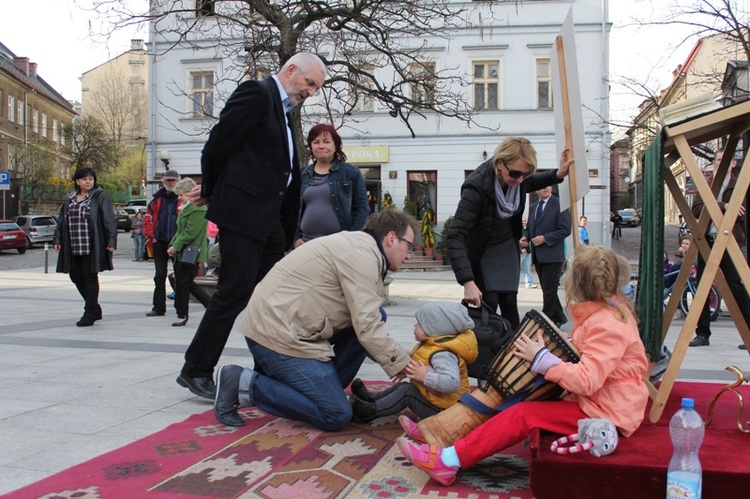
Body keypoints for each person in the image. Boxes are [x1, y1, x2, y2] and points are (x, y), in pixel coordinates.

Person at [396, 245, 649, 486]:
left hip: (606, 412)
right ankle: (439, 432)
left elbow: (586, 380)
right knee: (505, 396)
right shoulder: (604, 313)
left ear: (578, 283)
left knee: (523, 414)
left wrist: (542, 358)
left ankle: (448, 461)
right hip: (598, 401)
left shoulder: (607, 323)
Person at [177, 53, 327, 400]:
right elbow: (217, 145)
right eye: (309, 84)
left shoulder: (284, 110)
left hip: (270, 221)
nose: (311, 93)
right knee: (233, 291)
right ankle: (196, 369)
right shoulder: (257, 94)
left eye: (316, 88)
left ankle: (272, 367)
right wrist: (214, 191)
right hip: (244, 214)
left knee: (270, 296)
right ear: (291, 71)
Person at [212, 210, 417, 430]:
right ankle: (242, 382)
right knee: (336, 414)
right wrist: (405, 366)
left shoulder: (361, 248)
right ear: (392, 238)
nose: (409, 255)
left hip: (290, 325)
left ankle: (320, 391)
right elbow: (367, 325)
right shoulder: (362, 255)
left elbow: (368, 320)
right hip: (276, 335)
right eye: (409, 246)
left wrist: (396, 355)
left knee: (379, 316)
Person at [447, 137, 573, 329]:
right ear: (500, 164)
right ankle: (487, 354)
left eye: (525, 174)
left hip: (505, 246)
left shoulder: (518, 180)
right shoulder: (476, 187)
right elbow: (455, 235)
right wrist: (467, 281)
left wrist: (558, 174)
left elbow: (532, 182)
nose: (520, 180)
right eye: (515, 174)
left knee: (509, 304)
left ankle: (512, 350)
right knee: (489, 303)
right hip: (483, 248)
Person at [348, 301, 478, 422]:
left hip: (445, 412)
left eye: (419, 324)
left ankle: (370, 411)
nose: (415, 326)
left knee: (407, 393)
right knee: (404, 386)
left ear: (432, 329)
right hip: (437, 401)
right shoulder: (432, 344)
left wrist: (424, 376)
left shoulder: (443, 354)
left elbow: (451, 384)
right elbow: (420, 358)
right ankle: (372, 399)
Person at [688, 150, 750, 349]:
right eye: (717, 160)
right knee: (702, 287)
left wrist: (733, 210)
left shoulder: (739, 185)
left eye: (725, 160)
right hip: (708, 240)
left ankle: (748, 333)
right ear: (713, 163)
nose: (720, 163)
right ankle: (703, 333)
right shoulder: (707, 185)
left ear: (733, 164)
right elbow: (696, 208)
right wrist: (723, 205)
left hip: (730, 242)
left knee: (737, 287)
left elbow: (741, 212)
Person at [53, 167, 117, 327]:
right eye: (84, 179)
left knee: (90, 277)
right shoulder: (70, 199)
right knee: (75, 276)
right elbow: (61, 221)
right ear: (77, 181)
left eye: (90, 179)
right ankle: (95, 307)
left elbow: (109, 219)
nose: (88, 181)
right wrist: (57, 239)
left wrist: (111, 241)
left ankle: (89, 312)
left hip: (92, 244)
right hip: (72, 244)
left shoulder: (99, 197)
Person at [293, 123, 369, 248]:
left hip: (340, 245)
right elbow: (292, 209)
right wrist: (295, 238)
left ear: (336, 146)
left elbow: (362, 209)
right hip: (306, 245)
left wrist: (352, 238)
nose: (321, 146)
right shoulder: (303, 175)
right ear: (311, 147)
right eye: (316, 142)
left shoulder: (350, 173)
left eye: (326, 141)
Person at [166, 178, 211, 327]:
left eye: (181, 195)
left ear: (190, 194)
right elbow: (180, 231)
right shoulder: (187, 208)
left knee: (183, 282)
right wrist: (173, 246)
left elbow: (190, 233)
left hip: (191, 252)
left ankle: (182, 314)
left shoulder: (198, 209)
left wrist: (175, 246)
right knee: (187, 282)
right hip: (184, 251)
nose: (179, 198)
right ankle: (211, 306)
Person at [526, 186, 571, 328]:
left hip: (553, 256)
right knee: (547, 289)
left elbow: (565, 229)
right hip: (538, 256)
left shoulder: (559, 204)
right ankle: (559, 316)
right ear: (536, 190)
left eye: (548, 185)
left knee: (550, 289)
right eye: (542, 186)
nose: (545, 188)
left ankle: (547, 319)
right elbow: (529, 228)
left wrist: (545, 238)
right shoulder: (533, 207)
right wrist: (524, 238)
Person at [144, 169, 181, 317]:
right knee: (159, 275)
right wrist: (152, 237)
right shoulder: (156, 199)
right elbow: (148, 218)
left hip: (177, 243)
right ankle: (158, 307)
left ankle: (181, 307)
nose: (170, 183)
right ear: (163, 181)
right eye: (168, 180)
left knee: (180, 275)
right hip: (159, 242)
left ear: (177, 181)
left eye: (173, 180)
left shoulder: (183, 198)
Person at [520, 216, 537, 288]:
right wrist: (520, 249)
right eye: (523, 221)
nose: (524, 222)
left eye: (525, 221)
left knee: (527, 267)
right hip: (521, 252)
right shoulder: (519, 230)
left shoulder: (526, 229)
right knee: (517, 268)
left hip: (527, 251)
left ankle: (529, 282)